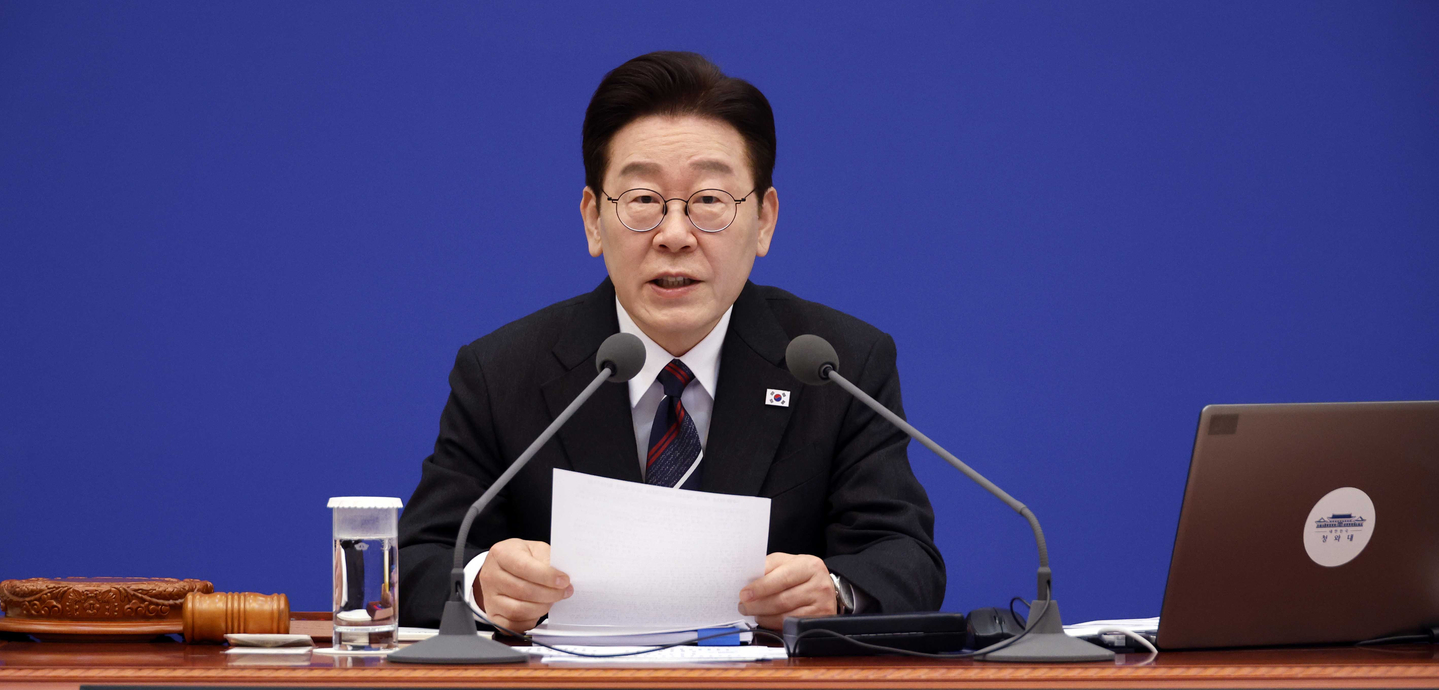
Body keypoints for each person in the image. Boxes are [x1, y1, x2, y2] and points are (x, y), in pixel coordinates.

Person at [398, 51, 945, 632]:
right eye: (643, 201)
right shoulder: (503, 372)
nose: (675, 235)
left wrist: (833, 593)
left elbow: (905, 558)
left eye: (709, 200)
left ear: (764, 221)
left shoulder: (837, 365)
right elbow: (416, 561)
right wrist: (481, 583)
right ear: (593, 219)